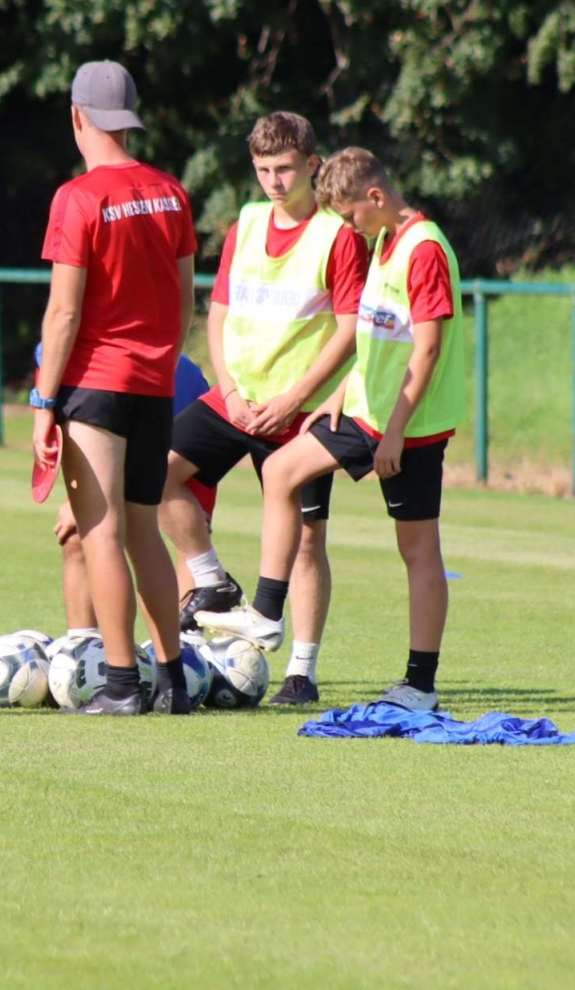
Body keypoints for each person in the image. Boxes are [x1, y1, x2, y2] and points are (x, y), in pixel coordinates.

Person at [231, 147, 467, 711]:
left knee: (418, 551)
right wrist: (339, 396)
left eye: (350, 214)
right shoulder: (383, 241)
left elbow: (427, 350)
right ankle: (266, 613)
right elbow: (375, 339)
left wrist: (395, 434)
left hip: (409, 425)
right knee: (282, 470)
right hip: (367, 412)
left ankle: (420, 685)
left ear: (376, 197)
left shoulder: (424, 248)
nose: (348, 226)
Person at [176, 113, 368, 707]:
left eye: (284, 168)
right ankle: (211, 581)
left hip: (298, 412)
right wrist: (230, 390)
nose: (274, 182)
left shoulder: (337, 235)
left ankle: (301, 673)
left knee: (308, 540)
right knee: (154, 476)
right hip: (235, 400)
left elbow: (350, 330)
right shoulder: (247, 224)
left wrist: (292, 398)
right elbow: (218, 315)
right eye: (263, 170)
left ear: (312, 164)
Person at [34, 61, 197, 715]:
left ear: (77, 116)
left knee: (100, 534)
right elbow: (185, 300)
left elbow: (64, 313)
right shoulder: (171, 192)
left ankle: (122, 684)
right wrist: (159, 362)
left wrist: (44, 400)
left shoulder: (77, 197)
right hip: (154, 384)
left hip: (96, 386)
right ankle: (173, 681)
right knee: (144, 532)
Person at [52, 350, 210, 641]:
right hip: (106, 405)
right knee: (75, 532)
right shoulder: (52, 358)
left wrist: (86, 496)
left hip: (176, 400)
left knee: (188, 533)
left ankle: (187, 644)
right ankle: (82, 645)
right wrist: (78, 496)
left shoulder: (183, 377)